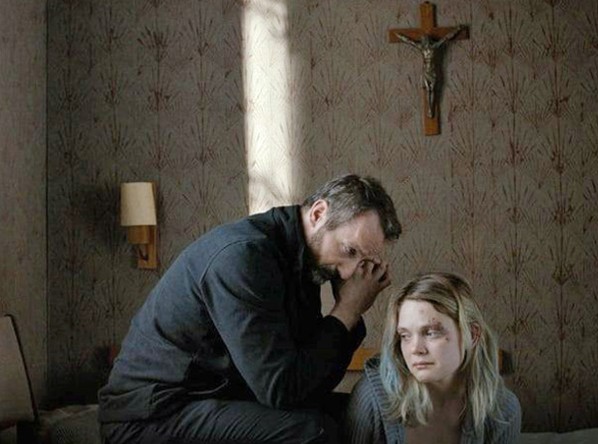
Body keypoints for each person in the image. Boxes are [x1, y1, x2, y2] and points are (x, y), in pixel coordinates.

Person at [98, 174, 402, 444]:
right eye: (349, 251)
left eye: (362, 262)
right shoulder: (244, 257)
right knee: (314, 432)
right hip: (152, 415)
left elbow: (310, 384)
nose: (349, 272)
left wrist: (347, 314)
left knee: (364, 414)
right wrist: (347, 310)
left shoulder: (302, 263)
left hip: (216, 400)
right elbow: (281, 391)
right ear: (318, 213)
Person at [345, 272, 522, 443]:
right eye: (405, 336)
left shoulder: (503, 410)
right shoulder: (372, 398)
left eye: (431, 333)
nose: (415, 349)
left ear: (472, 335)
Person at [394, 26, 465, 119]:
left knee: (433, 90)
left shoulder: (434, 47)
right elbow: (410, 41)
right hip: (426, 72)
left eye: (427, 39)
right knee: (428, 91)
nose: (426, 41)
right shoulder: (422, 48)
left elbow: (446, 38)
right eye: (425, 40)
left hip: (433, 71)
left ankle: (432, 108)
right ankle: (430, 109)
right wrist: (399, 36)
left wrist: (456, 30)